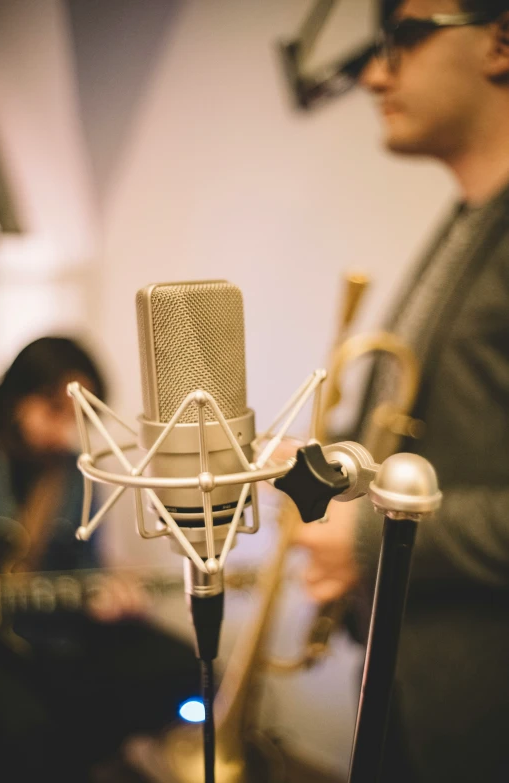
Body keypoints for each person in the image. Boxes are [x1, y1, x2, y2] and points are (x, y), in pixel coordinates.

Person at [295, 2, 509, 781]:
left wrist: (366, 539)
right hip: (408, 684)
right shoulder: (467, 221)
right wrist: (322, 469)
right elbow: (416, 436)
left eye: (407, 37)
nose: (376, 73)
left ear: (500, 39)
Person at [0, 336, 199, 783]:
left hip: (50, 628)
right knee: (25, 727)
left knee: (183, 666)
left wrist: (109, 595)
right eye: (51, 409)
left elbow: (86, 569)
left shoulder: (74, 475)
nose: (61, 430)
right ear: (16, 393)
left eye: (77, 419)